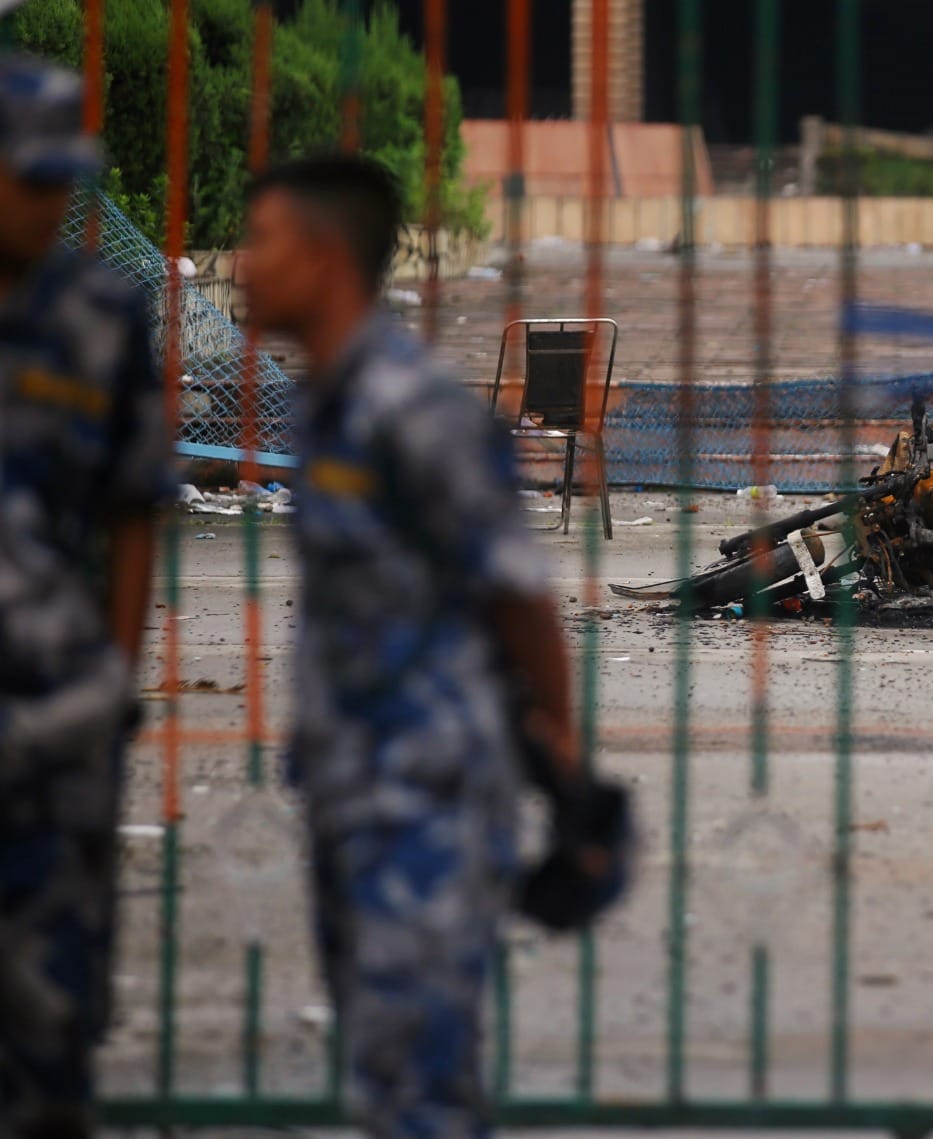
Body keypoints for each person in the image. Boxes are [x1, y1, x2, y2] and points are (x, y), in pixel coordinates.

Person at [238, 154, 616, 1139]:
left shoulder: (416, 409)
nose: (240, 264)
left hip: (430, 788)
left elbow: (521, 595)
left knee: (420, 1087)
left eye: (261, 240)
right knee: (385, 1071)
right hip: (353, 780)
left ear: (322, 257)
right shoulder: (326, 402)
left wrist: (562, 758)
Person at [0, 53, 166, 1139]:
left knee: (50, 1012)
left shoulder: (101, 314)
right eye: (31, 178)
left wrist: (113, 680)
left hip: (56, 708)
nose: (53, 202)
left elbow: (134, 513)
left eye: (66, 179)